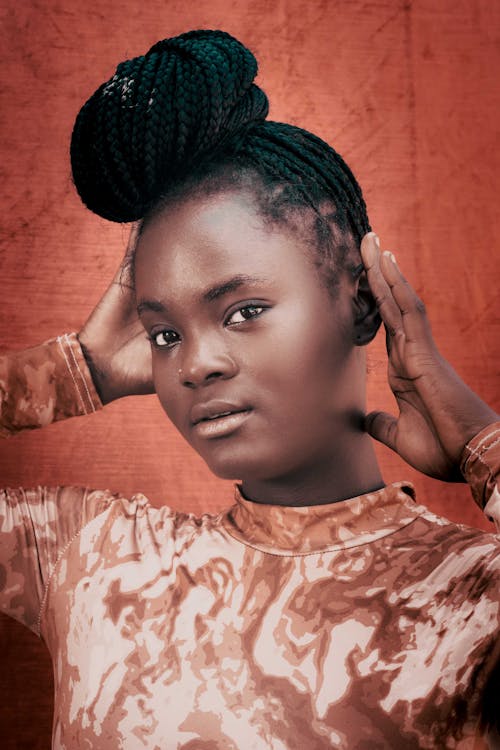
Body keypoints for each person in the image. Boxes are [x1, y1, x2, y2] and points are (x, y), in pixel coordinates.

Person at [1, 29, 498, 750]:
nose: (196, 363)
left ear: (365, 304)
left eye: (243, 312)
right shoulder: (86, 557)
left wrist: (486, 444)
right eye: (165, 333)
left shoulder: (470, 596)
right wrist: (67, 374)